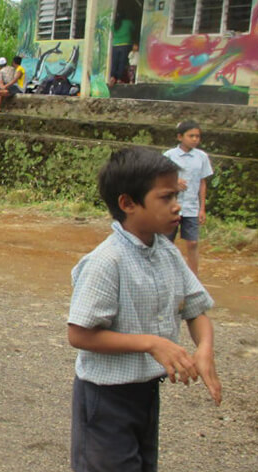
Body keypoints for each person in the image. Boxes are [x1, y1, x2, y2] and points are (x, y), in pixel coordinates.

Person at [67, 147, 221, 471]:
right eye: (166, 198)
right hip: (105, 398)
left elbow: (196, 310)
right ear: (128, 204)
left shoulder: (166, 253)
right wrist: (151, 342)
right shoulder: (107, 261)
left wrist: (204, 349)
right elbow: (79, 334)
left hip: (145, 393)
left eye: (176, 195)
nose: (177, 205)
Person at [163, 121, 213, 276]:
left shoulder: (202, 157)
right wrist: (174, 181)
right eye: (191, 136)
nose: (195, 139)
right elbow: (159, 179)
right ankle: (164, 274)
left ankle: (193, 277)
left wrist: (202, 209)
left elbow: (202, 183)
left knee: (192, 242)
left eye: (197, 136)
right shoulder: (169, 156)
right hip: (172, 207)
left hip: (191, 207)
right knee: (166, 242)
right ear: (180, 137)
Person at [109, 15, 135, 88]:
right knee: (122, 63)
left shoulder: (113, 25)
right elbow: (133, 29)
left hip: (115, 45)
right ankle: (119, 79)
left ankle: (112, 77)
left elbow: (112, 32)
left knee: (114, 62)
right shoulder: (128, 22)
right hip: (125, 45)